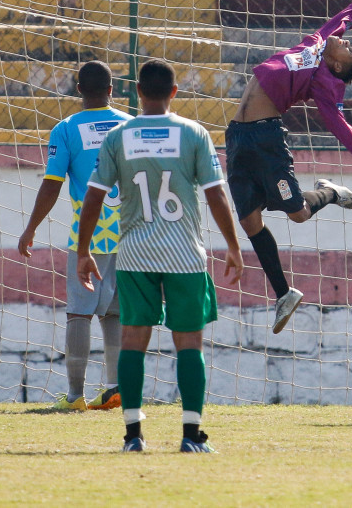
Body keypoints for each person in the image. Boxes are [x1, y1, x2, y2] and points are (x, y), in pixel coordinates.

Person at [226, 0, 352, 333]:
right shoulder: (319, 41)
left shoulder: (326, 83)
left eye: (348, 49)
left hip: (266, 139)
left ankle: (330, 192)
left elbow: (340, 125)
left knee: (297, 213)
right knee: (249, 220)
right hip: (236, 137)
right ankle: (283, 294)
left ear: (340, 66)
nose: (346, 41)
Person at [77, 59, 243, 453]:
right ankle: (191, 436)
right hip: (184, 253)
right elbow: (216, 193)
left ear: (137, 91)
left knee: (133, 339)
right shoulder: (193, 133)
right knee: (190, 342)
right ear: (174, 92)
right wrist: (234, 246)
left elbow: (94, 196)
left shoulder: (117, 136)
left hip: (135, 253)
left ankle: (133, 436)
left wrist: (84, 251)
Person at [18, 60, 131, 411]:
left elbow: (52, 185)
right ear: (112, 90)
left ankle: (75, 396)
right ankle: (115, 388)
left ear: (78, 89)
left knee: (79, 314)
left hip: (89, 236)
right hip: (128, 232)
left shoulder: (66, 129)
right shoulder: (130, 125)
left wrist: (31, 227)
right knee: (114, 313)